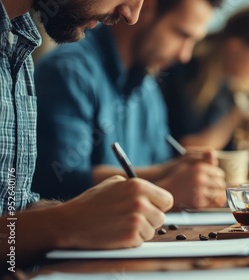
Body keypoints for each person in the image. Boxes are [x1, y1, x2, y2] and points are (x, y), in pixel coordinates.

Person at [0, 0, 176, 270]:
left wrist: (88, 213)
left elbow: (12, 212)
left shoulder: (17, 44)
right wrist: (67, 223)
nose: (132, 15)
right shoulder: (66, 65)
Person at [33, 0, 226, 209]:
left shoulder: (148, 88)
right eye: (182, 35)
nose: (184, 55)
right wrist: (167, 188)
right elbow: (59, 181)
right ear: (148, 7)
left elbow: (159, 165)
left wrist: (176, 172)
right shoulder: (68, 71)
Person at [161, 6, 249, 150]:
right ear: (236, 47)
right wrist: (236, 117)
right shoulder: (186, 74)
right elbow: (188, 149)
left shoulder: (231, 87)